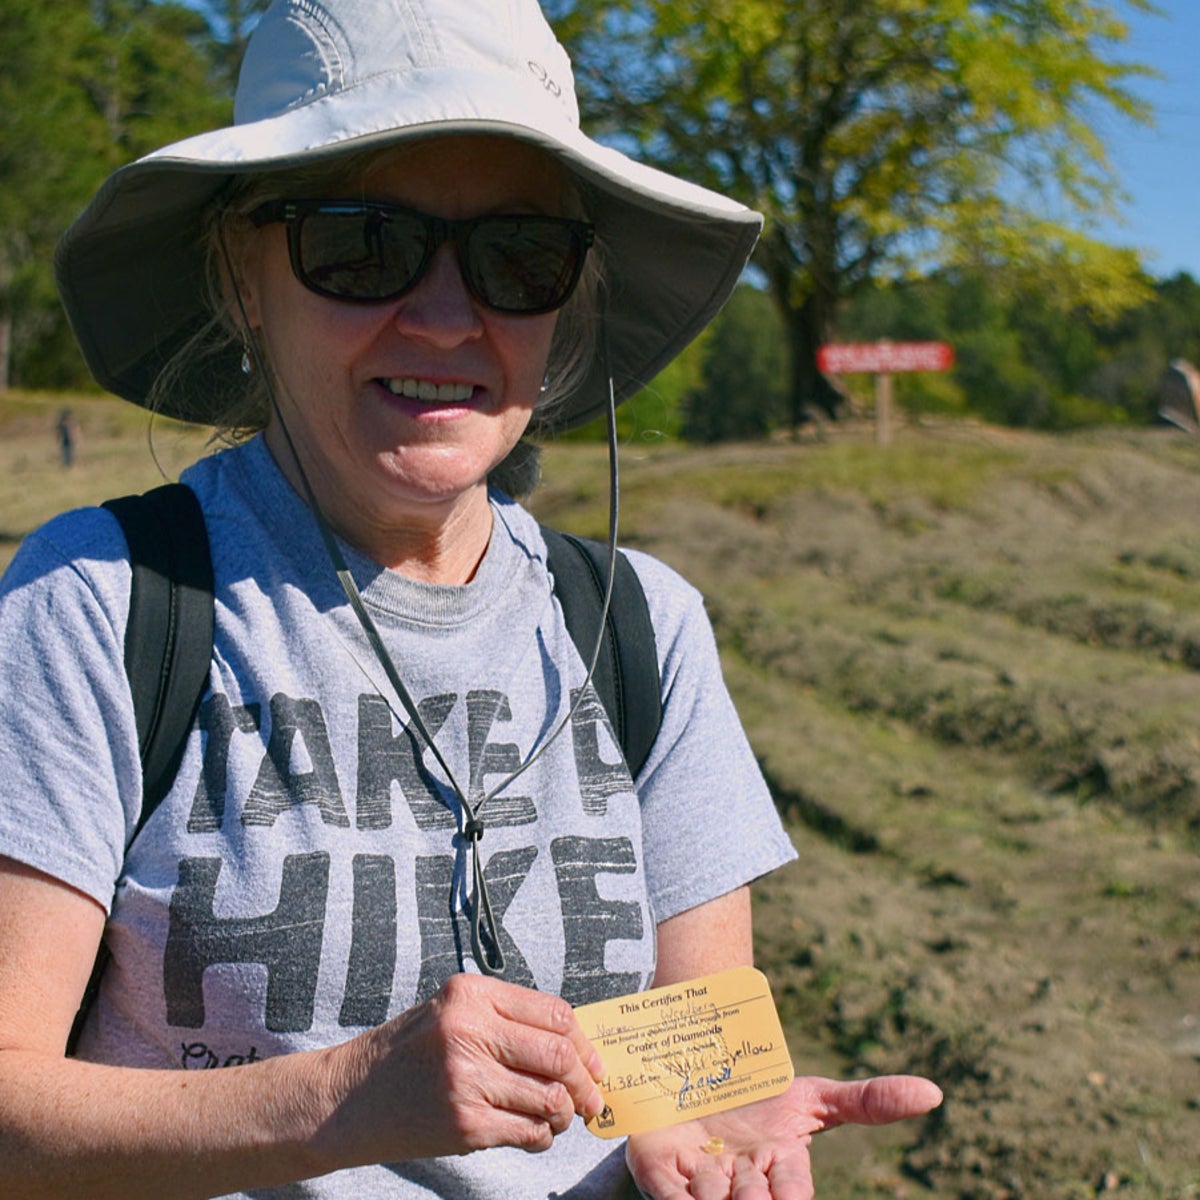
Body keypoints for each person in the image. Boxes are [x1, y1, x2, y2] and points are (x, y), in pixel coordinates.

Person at [0, 2, 941, 1197]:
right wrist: (337, 1098)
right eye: (360, 243)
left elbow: (700, 1069)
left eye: (517, 256)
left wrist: (716, 1136)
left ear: (567, 301)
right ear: (243, 273)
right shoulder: (102, 606)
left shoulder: (645, 627)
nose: (447, 318)